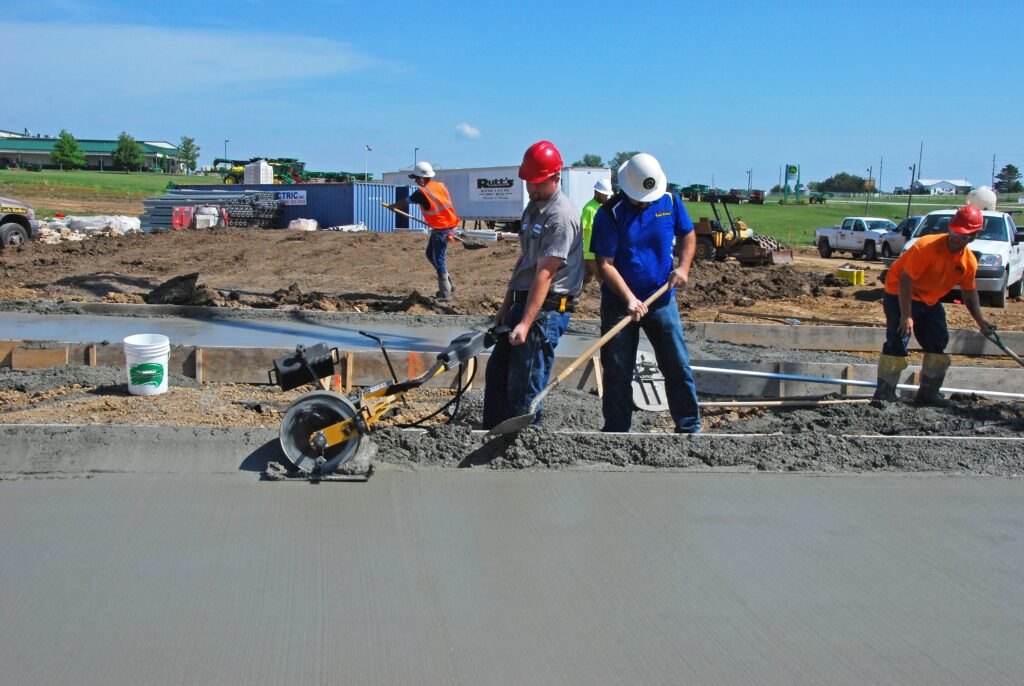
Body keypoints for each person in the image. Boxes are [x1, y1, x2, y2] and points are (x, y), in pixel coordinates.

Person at [590, 153, 701, 433]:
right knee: (617, 369)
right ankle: (616, 430)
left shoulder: (669, 201)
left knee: (677, 363)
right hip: (619, 303)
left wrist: (683, 267)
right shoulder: (610, 214)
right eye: (641, 198)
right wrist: (629, 299)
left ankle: (689, 426)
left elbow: (688, 234)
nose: (646, 202)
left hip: (661, 300)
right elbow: (605, 264)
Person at [482, 141, 584, 429]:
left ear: (556, 177)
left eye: (539, 183)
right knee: (499, 374)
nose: (532, 188)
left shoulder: (560, 216)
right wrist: (505, 307)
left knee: (525, 381)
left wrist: (526, 323)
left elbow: (545, 274)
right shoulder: (532, 209)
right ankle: (491, 433)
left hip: (545, 311)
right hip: (522, 303)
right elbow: (525, 263)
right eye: (529, 182)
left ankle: (522, 442)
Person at [873, 204, 995, 406]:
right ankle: (884, 394)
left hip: (928, 299)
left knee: (938, 341)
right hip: (899, 292)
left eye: (962, 235)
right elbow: (906, 280)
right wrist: (906, 316)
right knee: (898, 337)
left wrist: (981, 322)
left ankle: (928, 394)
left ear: (972, 236)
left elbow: (969, 292)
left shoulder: (968, 262)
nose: (956, 238)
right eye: (954, 232)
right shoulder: (926, 247)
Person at [390, 161, 460, 299]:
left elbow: (404, 202)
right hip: (448, 225)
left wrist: (393, 206)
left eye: (416, 178)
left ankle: (445, 293)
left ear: (421, 178)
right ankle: (448, 281)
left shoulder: (422, 193)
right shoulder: (439, 186)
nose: (415, 181)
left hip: (442, 229)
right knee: (430, 254)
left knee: (439, 259)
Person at [580, 178, 613, 285]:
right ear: (597, 193)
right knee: (603, 279)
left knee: (583, 279)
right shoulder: (589, 208)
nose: (607, 197)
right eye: (605, 195)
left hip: (598, 252)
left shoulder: (603, 207)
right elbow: (580, 230)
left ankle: (572, 299)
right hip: (591, 254)